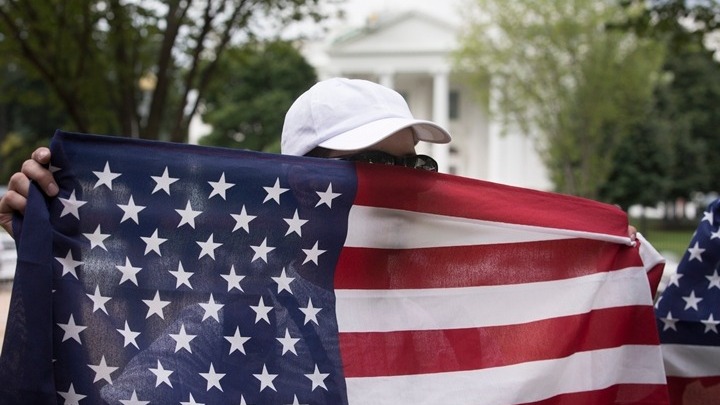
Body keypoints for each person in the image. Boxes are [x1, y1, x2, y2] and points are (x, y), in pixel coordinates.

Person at [0, 77, 636, 239]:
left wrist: (604, 243)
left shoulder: (460, 266)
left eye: (415, 165)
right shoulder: (251, 287)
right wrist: (50, 236)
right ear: (301, 180)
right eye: (373, 165)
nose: (403, 186)